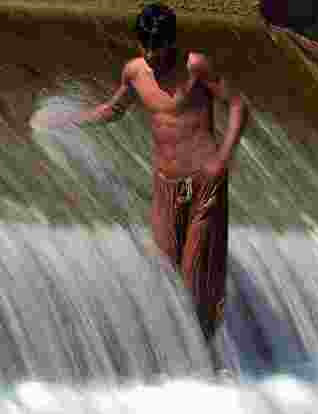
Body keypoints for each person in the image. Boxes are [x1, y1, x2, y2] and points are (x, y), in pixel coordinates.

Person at [31, 3, 249, 343]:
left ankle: (211, 356)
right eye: (145, 47)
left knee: (193, 273)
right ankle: (191, 344)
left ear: (173, 43)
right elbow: (112, 110)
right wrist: (67, 120)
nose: (151, 55)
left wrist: (223, 158)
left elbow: (237, 104)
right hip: (165, 184)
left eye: (158, 48)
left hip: (204, 182)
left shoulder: (196, 67)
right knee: (165, 267)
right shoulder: (134, 72)